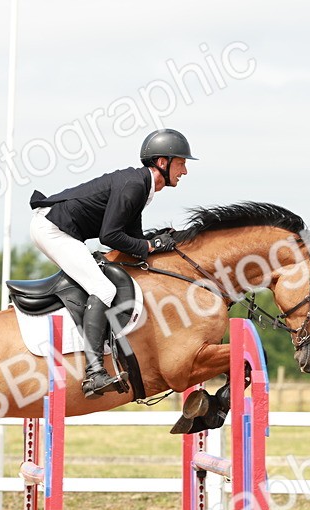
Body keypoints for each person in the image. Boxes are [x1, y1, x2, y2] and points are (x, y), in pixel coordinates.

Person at [29, 128, 197, 397]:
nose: (185, 171)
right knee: (104, 289)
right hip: (52, 229)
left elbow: (133, 238)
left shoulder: (141, 187)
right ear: (162, 163)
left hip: (59, 228)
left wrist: (156, 243)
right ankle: (94, 373)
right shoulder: (133, 186)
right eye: (181, 163)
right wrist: (151, 245)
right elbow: (110, 236)